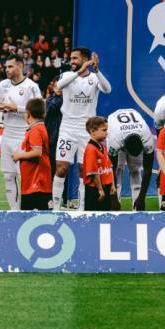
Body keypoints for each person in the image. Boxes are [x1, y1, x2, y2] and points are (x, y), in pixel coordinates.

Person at [53, 47, 111, 210]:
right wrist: (79, 72)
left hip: (87, 130)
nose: (71, 61)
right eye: (71, 58)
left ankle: (81, 208)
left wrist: (97, 70)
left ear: (85, 60)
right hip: (67, 128)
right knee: (61, 168)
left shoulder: (94, 78)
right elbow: (58, 85)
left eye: (75, 58)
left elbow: (107, 89)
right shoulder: (68, 76)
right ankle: (56, 208)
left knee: (84, 170)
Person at [0, 54, 42, 209]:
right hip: (7, 134)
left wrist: (17, 108)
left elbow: (40, 109)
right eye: (6, 66)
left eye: (10, 66)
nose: (7, 69)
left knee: (23, 176)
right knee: (8, 176)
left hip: (24, 134)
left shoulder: (31, 86)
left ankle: (27, 208)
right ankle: (14, 211)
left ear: (20, 66)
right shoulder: (3, 85)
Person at [106, 108, 155, 210]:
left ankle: (137, 206)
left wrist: (142, 198)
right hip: (115, 122)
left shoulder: (147, 138)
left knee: (136, 169)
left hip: (134, 120)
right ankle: (116, 201)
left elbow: (148, 169)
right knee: (118, 169)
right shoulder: (115, 141)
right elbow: (110, 170)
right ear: (123, 148)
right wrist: (113, 199)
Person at [12, 98, 52, 210]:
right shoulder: (39, 128)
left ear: (28, 113)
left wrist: (19, 156)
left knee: (32, 217)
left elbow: (37, 152)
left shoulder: (35, 130)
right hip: (35, 181)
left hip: (36, 183)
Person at [82, 116, 116, 211]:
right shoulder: (90, 149)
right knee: (93, 218)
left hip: (107, 187)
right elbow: (94, 172)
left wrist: (112, 184)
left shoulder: (104, 147)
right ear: (93, 131)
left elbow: (109, 167)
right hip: (95, 190)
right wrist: (100, 189)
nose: (106, 133)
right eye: (104, 130)